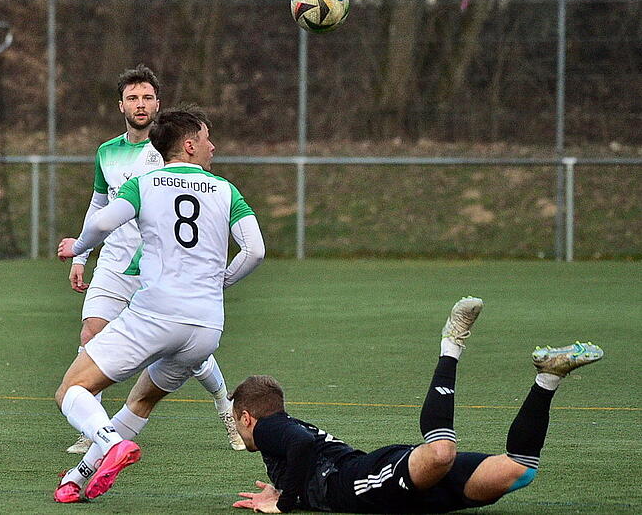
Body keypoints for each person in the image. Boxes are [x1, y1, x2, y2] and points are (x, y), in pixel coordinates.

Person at [53, 106, 266, 503]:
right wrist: (221, 283)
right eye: (206, 139)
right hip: (206, 327)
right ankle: (77, 479)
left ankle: (109, 442)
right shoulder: (225, 189)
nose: (212, 146)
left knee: (71, 390)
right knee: (142, 400)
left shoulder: (145, 183)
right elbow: (254, 251)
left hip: (154, 314)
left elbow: (101, 223)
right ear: (189, 145)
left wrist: (78, 247)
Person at [230, 297, 604, 513]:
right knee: (519, 471)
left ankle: (452, 343)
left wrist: (285, 502)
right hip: (408, 496)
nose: (237, 429)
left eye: (235, 420)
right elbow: (299, 450)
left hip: (361, 479)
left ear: (248, 416)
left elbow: (300, 444)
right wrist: (283, 490)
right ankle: (549, 377)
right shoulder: (281, 432)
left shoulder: (270, 427)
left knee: (440, 453)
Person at [65, 65, 245, 455]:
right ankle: (95, 428)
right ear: (121, 105)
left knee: (190, 356)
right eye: (133, 97)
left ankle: (223, 404)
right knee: (91, 334)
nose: (140, 104)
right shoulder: (107, 152)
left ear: (158, 104)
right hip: (115, 263)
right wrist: (82, 254)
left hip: (158, 267)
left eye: (147, 97)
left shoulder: (169, 153)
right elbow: (100, 205)